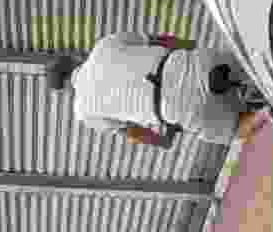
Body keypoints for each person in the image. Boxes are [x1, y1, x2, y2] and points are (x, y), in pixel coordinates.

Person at [51, 35, 254, 152]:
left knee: (238, 130)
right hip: (187, 63)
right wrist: (194, 47)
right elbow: (161, 40)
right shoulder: (104, 44)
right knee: (249, 65)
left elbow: (132, 132)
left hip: (179, 108)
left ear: (65, 88)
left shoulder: (83, 111)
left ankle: (264, 117)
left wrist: (162, 141)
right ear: (74, 57)